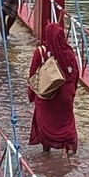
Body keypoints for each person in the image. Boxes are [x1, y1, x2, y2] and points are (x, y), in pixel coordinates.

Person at [27, 22, 80, 154]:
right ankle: (65, 150)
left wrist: (31, 95)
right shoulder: (69, 52)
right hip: (66, 95)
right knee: (65, 122)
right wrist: (72, 92)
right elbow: (75, 74)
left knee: (45, 121)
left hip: (47, 94)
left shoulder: (41, 52)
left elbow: (33, 74)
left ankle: (46, 150)